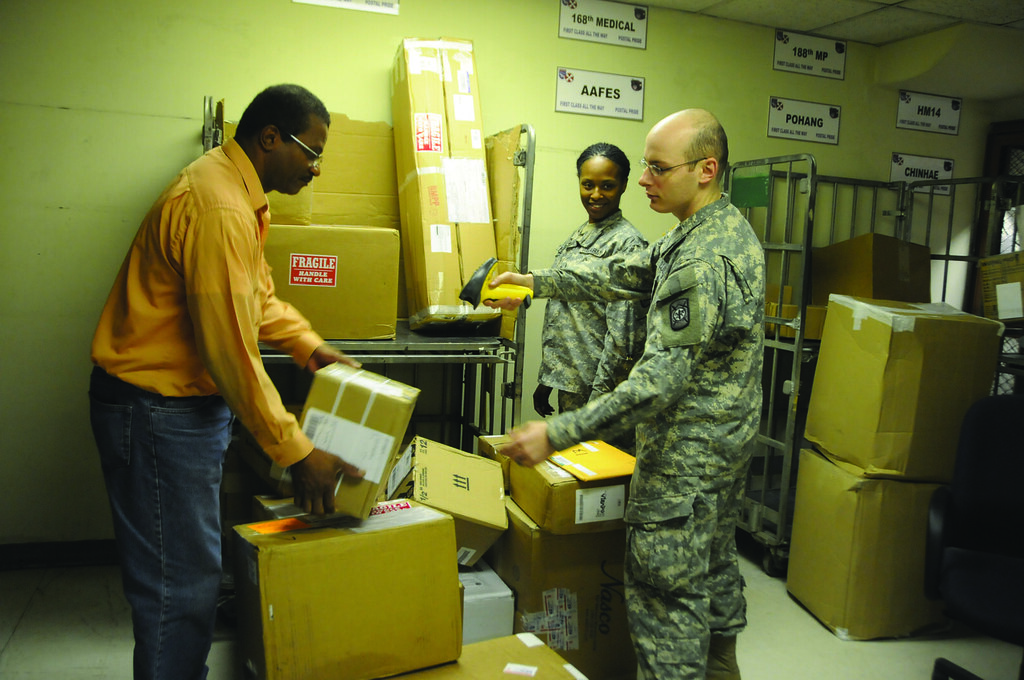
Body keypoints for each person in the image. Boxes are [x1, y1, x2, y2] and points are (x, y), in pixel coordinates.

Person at [88, 84, 365, 680]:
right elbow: (230, 352)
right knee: (178, 590)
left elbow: (254, 297)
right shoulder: (218, 205)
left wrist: (309, 347)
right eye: (310, 153)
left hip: (175, 411)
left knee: (186, 574)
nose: (316, 169)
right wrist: (297, 451)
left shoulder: (234, 191)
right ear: (270, 138)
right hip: (157, 413)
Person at [485, 109, 764, 680]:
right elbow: (627, 274)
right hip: (722, 458)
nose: (643, 180)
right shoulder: (716, 229)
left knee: (669, 614)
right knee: (712, 591)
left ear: (706, 169)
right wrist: (537, 283)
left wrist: (557, 432)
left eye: (658, 168)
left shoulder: (702, 260)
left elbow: (658, 383)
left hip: (685, 466)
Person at [533, 142, 648, 453]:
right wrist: (549, 377)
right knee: (572, 483)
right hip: (570, 385)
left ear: (624, 185)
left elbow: (624, 340)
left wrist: (598, 405)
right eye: (588, 185)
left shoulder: (627, 244)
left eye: (607, 186)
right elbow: (565, 312)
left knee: (599, 490)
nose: (596, 195)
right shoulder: (580, 235)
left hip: (597, 393)